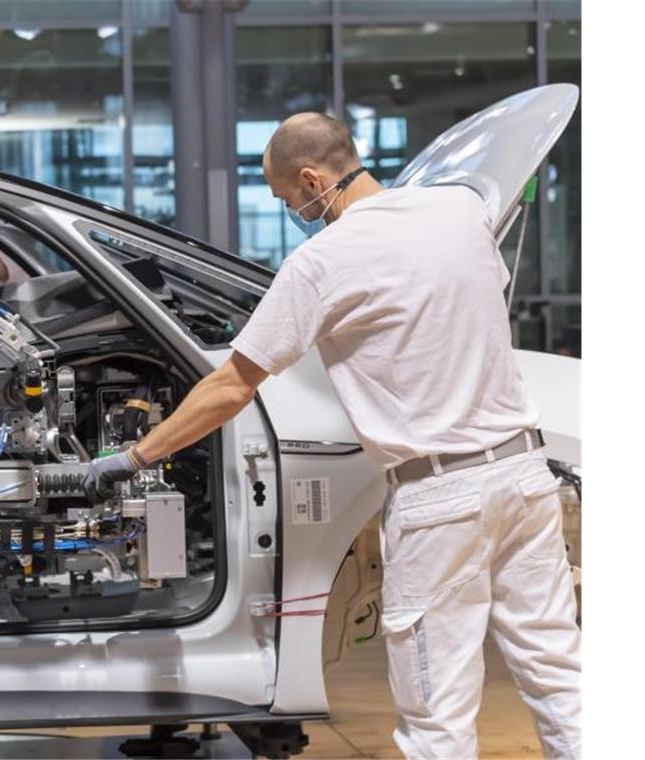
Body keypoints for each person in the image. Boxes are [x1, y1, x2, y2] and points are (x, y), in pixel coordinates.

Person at [83, 112, 581, 759]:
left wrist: (133, 456)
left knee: (438, 710)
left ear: (313, 178)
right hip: (523, 476)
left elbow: (234, 385)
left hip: (440, 502)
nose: (296, 211)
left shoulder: (323, 261)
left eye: (290, 199)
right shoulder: (461, 214)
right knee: (559, 675)